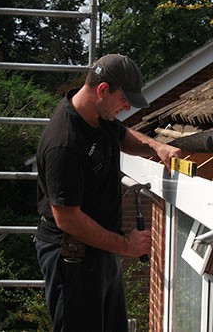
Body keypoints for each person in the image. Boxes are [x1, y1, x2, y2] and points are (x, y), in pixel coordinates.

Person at [35, 54, 181, 331]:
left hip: (100, 249)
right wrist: (126, 245)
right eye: (124, 101)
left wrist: (156, 147)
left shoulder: (98, 118)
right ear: (103, 90)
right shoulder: (64, 143)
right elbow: (68, 218)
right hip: (72, 258)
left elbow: (122, 135)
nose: (126, 108)